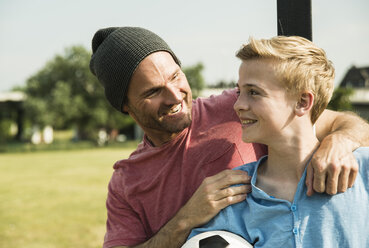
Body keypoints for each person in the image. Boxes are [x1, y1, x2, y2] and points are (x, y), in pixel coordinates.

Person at [89, 27, 369, 248]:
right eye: (153, 92)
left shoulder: (233, 107)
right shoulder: (126, 182)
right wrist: (185, 220)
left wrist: (339, 142)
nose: (175, 96)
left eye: (176, 76)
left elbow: (334, 120)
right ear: (125, 105)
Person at [188, 36, 369, 247]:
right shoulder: (233, 198)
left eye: (254, 92)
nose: (238, 105)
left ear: (302, 102)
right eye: (239, 92)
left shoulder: (363, 171)